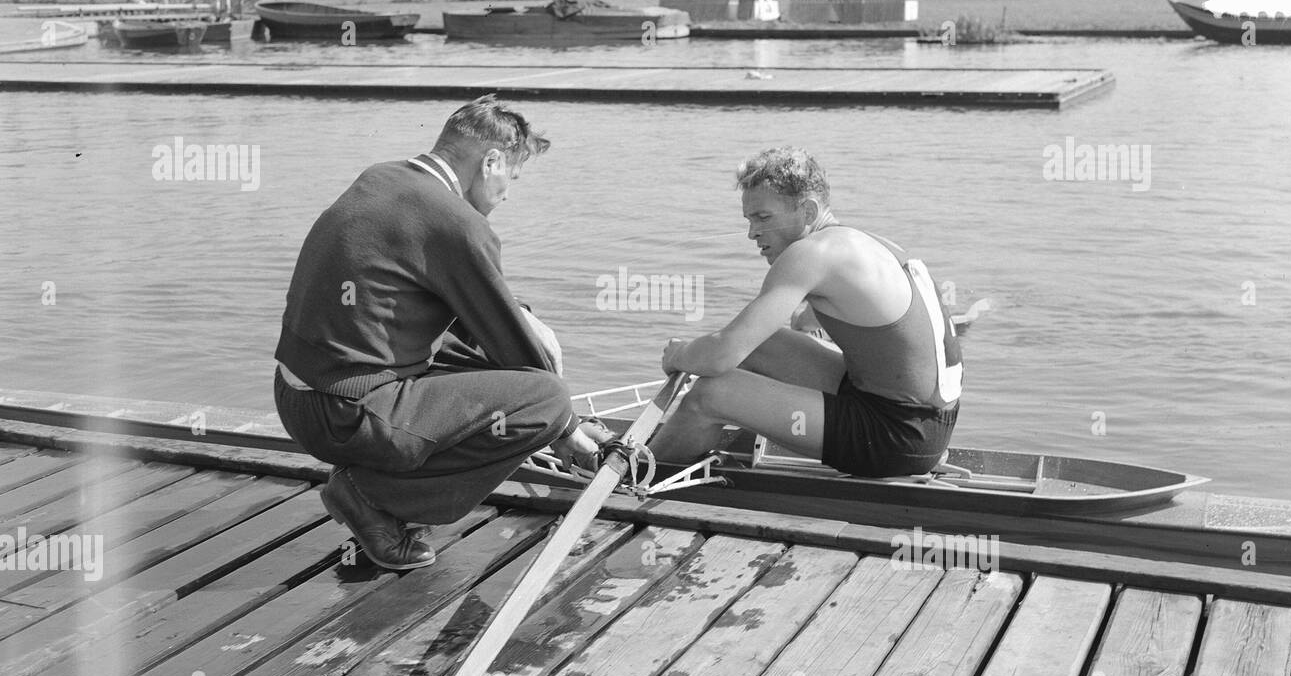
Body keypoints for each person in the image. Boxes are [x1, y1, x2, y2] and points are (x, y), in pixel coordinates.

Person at [274, 96, 601, 570]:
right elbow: (523, 355)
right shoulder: (457, 222)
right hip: (344, 414)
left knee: (489, 360)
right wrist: (565, 428)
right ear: (490, 162)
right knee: (546, 397)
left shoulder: (382, 177)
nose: (508, 192)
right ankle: (374, 497)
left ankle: (381, 476)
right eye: (512, 175)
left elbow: (468, 311)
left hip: (298, 395)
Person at [650, 147, 962, 479]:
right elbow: (739, 345)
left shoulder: (810, 254)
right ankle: (704, 437)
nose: (752, 233)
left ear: (808, 210)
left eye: (763, 218)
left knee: (707, 395)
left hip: (895, 438)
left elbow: (720, 356)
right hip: (925, 423)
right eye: (749, 219)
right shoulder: (868, 243)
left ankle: (634, 476)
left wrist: (679, 354)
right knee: (764, 343)